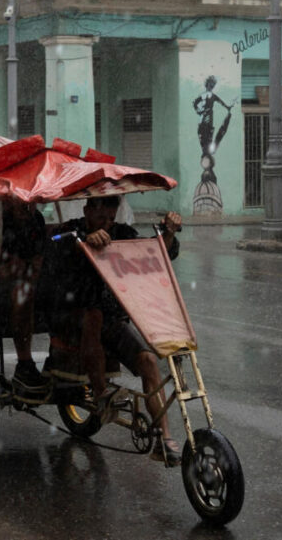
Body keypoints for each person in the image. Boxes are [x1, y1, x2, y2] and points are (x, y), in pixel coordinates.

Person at [47, 195, 184, 465]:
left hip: (111, 319)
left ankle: (163, 438)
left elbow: (153, 253)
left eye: (111, 212)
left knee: (147, 361)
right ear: (87, 209)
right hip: (73, 317)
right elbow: (57, 246)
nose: (107, 219)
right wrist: (84, 242)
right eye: (100, 212)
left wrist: (167, 232)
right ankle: (101, 395)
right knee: (94, 315)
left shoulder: (123, 233)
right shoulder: (68, 231)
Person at [0, 199, 49, 395]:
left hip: (24, 283)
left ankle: (60, 359)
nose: (27, 206)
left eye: (31, 201)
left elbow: (37, 260)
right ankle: (24, 363)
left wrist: (30, 269)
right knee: (23, 292)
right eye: (21, 200)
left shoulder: (36, 220)